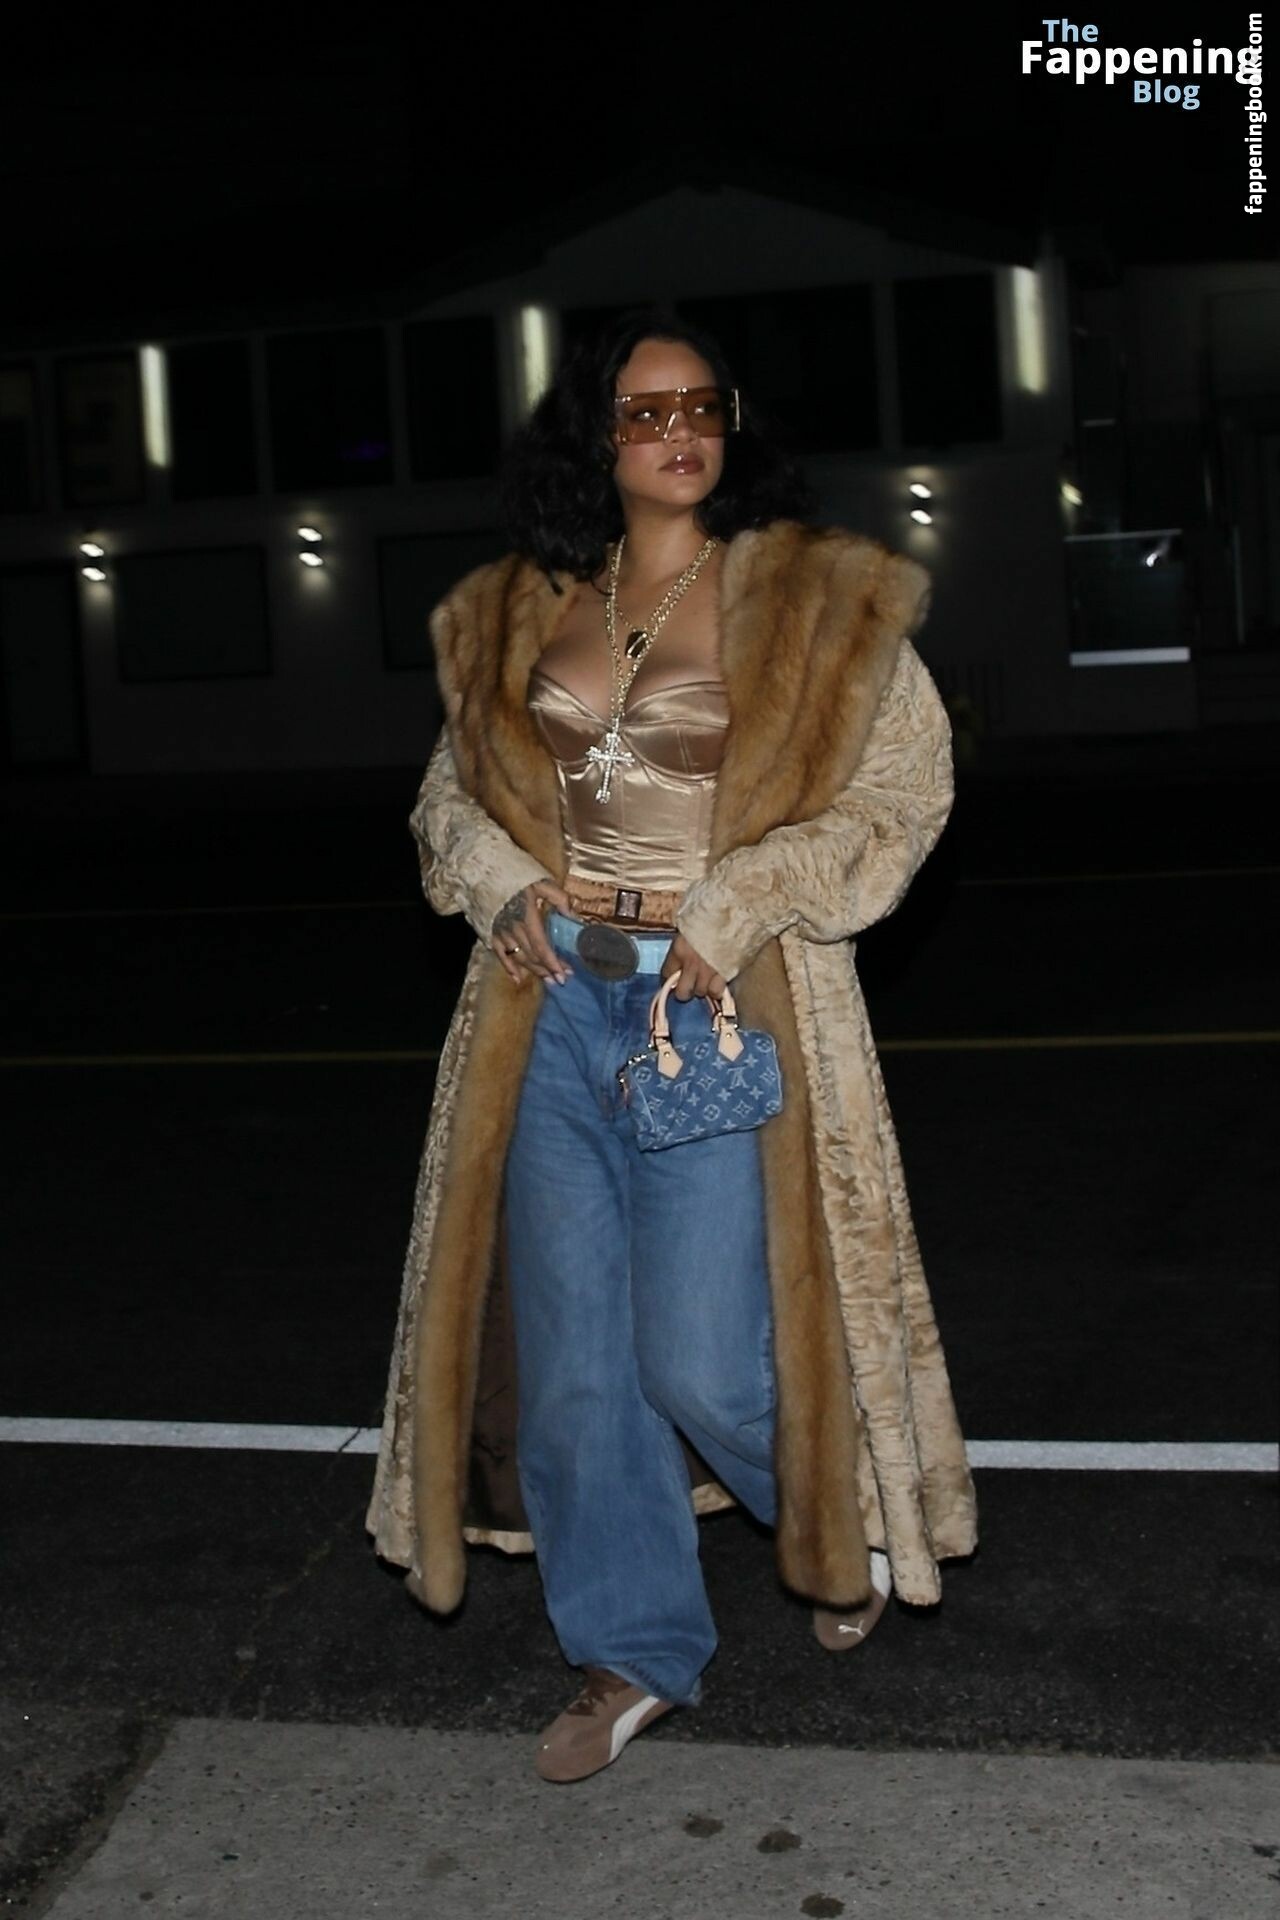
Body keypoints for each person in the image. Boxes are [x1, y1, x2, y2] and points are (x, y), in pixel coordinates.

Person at [365, 307, 978, 1784]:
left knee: (701, 1358)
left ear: (731, 422)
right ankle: (632, 1651)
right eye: (643, 412)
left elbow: (905, 791)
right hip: (549, 1011)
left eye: (701, 404)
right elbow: (448, 800)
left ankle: (838, 1522)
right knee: (577, 1372)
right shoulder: (518, 611)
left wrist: (743, 898)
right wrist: (500, 884)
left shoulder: (813, 598)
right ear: (598, 439)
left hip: (712, 1009)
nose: (678, 431)